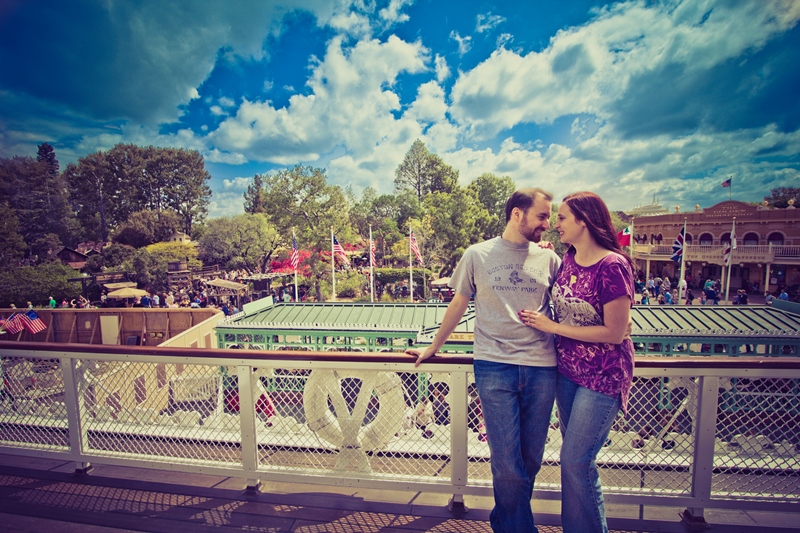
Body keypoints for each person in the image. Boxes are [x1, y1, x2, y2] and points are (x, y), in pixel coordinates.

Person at [407, 187, 560, 532]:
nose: (547, 224)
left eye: (550, 217)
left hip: (542, 368)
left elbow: (567, 304)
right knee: (507, 464)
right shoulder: (477, 255)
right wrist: (433, 347)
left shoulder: (550, 259)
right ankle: (520, 529)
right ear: (517, 214)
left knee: (531, 460)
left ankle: (505, 521)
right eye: (542, 215)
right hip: (494, 366)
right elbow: (458, 303)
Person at [520, 192, 634, 533]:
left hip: (603, 376)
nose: (556, 225)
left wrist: (552, 327)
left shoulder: (612, 265)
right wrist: (542, 255)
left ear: (583, 221)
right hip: (568, 373)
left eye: (563, 218)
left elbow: (615, 332)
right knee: (573, 462)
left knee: (576, 461)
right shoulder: (567, 258)